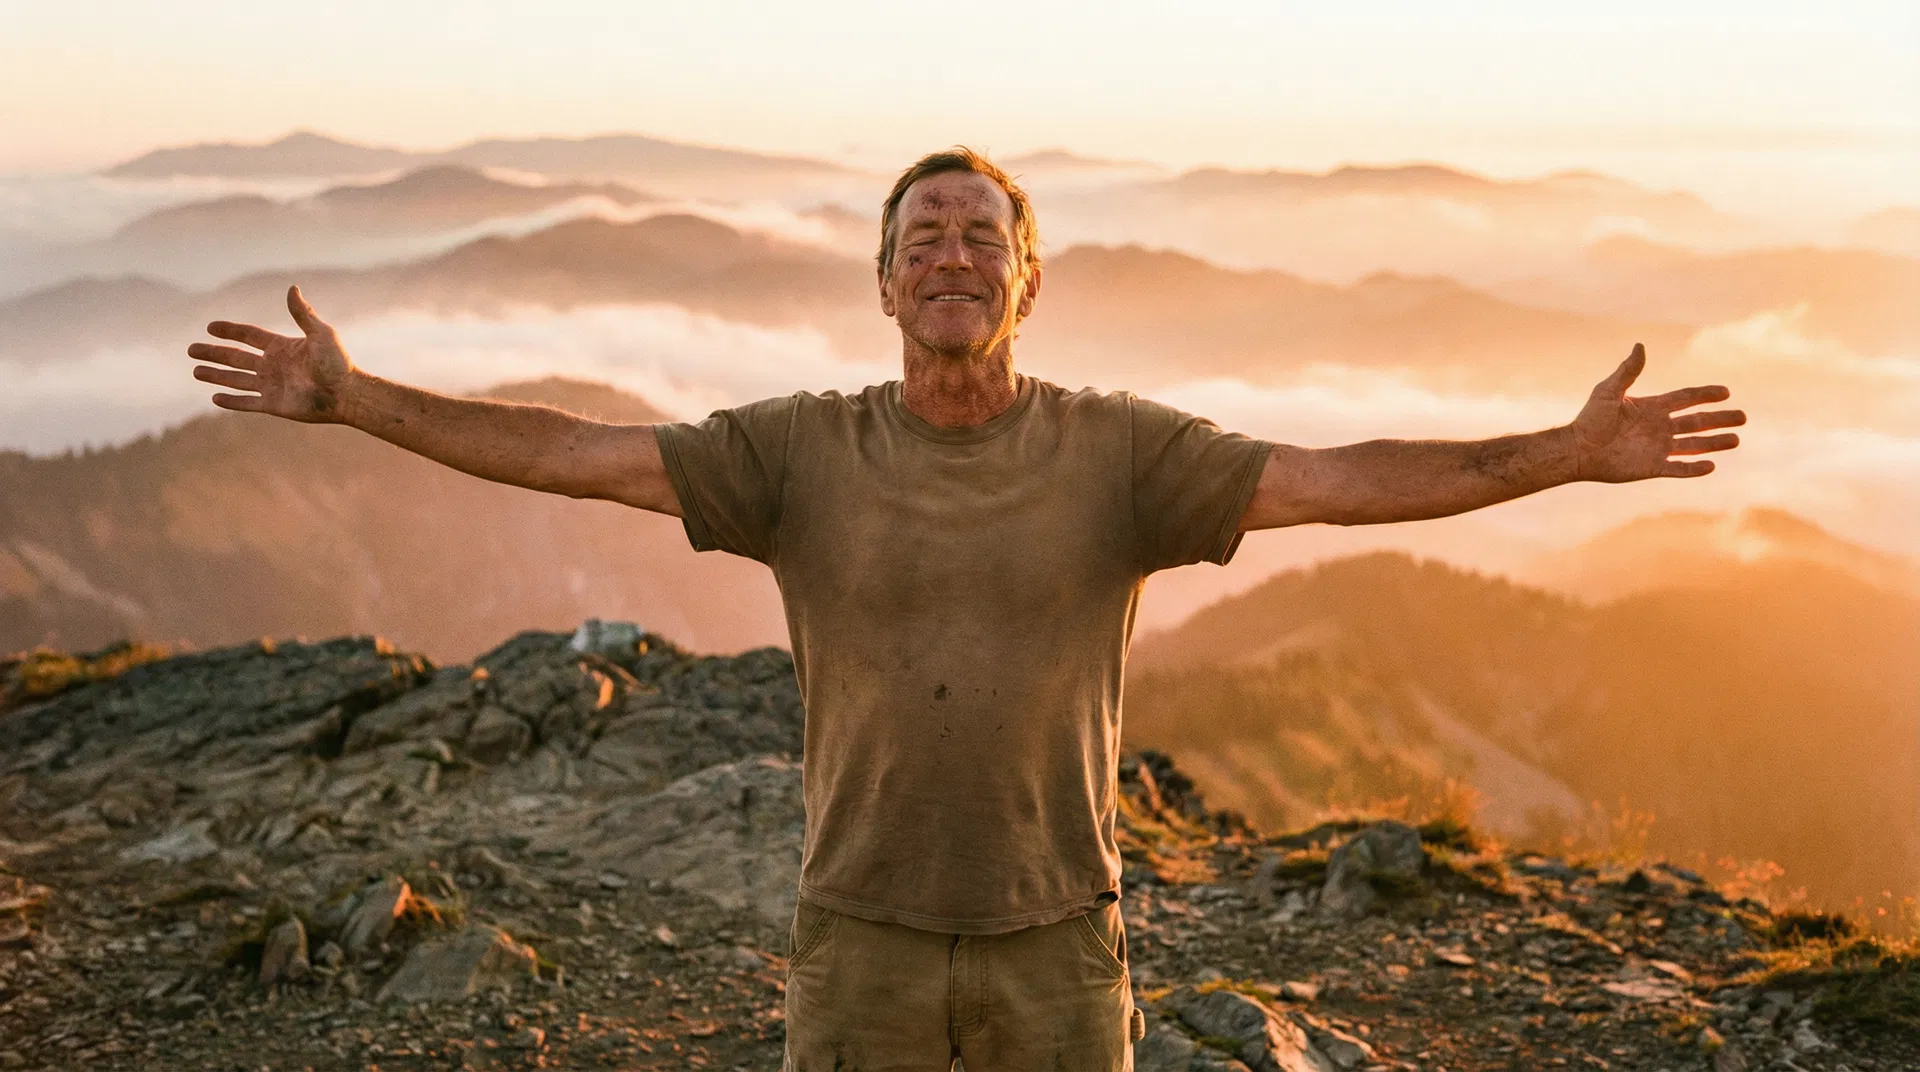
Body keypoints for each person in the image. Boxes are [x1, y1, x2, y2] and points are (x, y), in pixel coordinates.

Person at [187, 148, 1744, 1071]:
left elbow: (1340, 480)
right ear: (882, 287)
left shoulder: (1124, 456)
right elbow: (570, 456)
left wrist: (1566, 456)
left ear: (1026, 282)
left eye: (979, 235)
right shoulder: (794, 453)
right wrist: (362, 399)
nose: (950, 252)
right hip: (855, 941)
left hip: (1060, 947)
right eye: (920, 236)